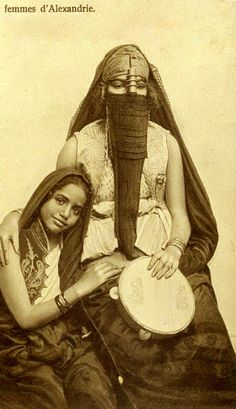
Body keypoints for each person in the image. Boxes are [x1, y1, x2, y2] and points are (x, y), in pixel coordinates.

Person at [0, 45, 236, 408]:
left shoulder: (166, 143)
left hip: (162, 260)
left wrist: (174, 250)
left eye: (139, 85)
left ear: (150, 91)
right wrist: (12, 218)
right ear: (102, 91)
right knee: (134, 345)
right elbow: (56, 201)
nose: (131, 92)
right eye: (120, 84)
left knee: (207, 336)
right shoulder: (78, 146)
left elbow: (180, 214)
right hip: (102, 266)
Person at [0, 166, 123, 409]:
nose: (66, 214)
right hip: (18, 346)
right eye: (60, 200)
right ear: (44, 195)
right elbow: (25, 317)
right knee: (49, 399)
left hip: (65, 342)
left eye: (76, 210)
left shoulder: (73, 244)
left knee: (95, 392)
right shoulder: (12, 238)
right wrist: (79, 288)